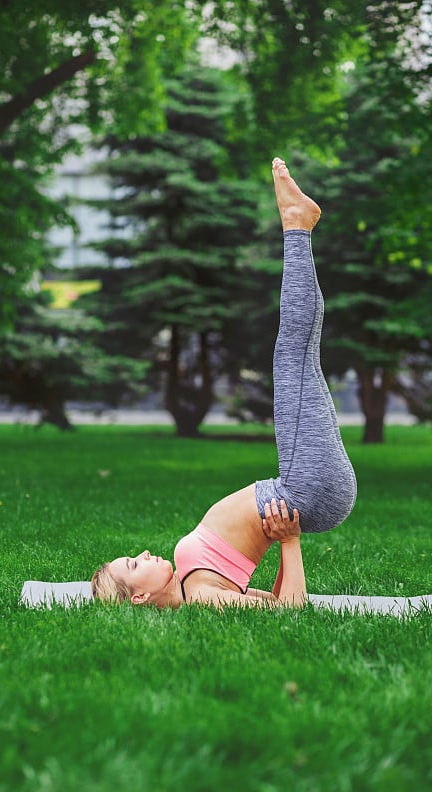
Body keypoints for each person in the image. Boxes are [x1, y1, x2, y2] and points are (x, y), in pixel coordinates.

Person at [91, 157, 357, 609]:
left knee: (300, 356)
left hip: (301, 486)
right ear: (138, 596)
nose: (143, 554)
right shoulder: (202, 598)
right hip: (304, 490)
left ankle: (298, 225)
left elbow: (269, 598)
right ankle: (296, 226)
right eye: (134, 565)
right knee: (293, 354)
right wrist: (289, 542)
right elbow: (287, 610)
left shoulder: (192, 585)